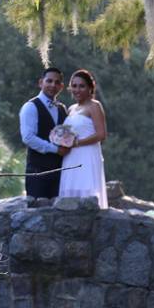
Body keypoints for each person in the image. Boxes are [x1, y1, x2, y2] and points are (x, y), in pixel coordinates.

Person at [58, 69, 108, 208]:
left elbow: (101, 134)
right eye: (74, 86)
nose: (77, 89)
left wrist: (77, 143)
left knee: (86, 193)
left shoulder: (94, 106)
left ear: (90, 88)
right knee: (69, 193)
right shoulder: (71, 109)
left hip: (87, 156)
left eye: (81, 86)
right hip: (70, 157)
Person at [19, 67, 70, 200]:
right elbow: (28, 138)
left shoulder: (61, 108)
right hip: (37, 173)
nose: (53, 85)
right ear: (41, 82)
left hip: (59, 173)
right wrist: (55, 149)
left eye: (57, 82)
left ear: (61, 86)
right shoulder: (30, 107)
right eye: (49, 81)